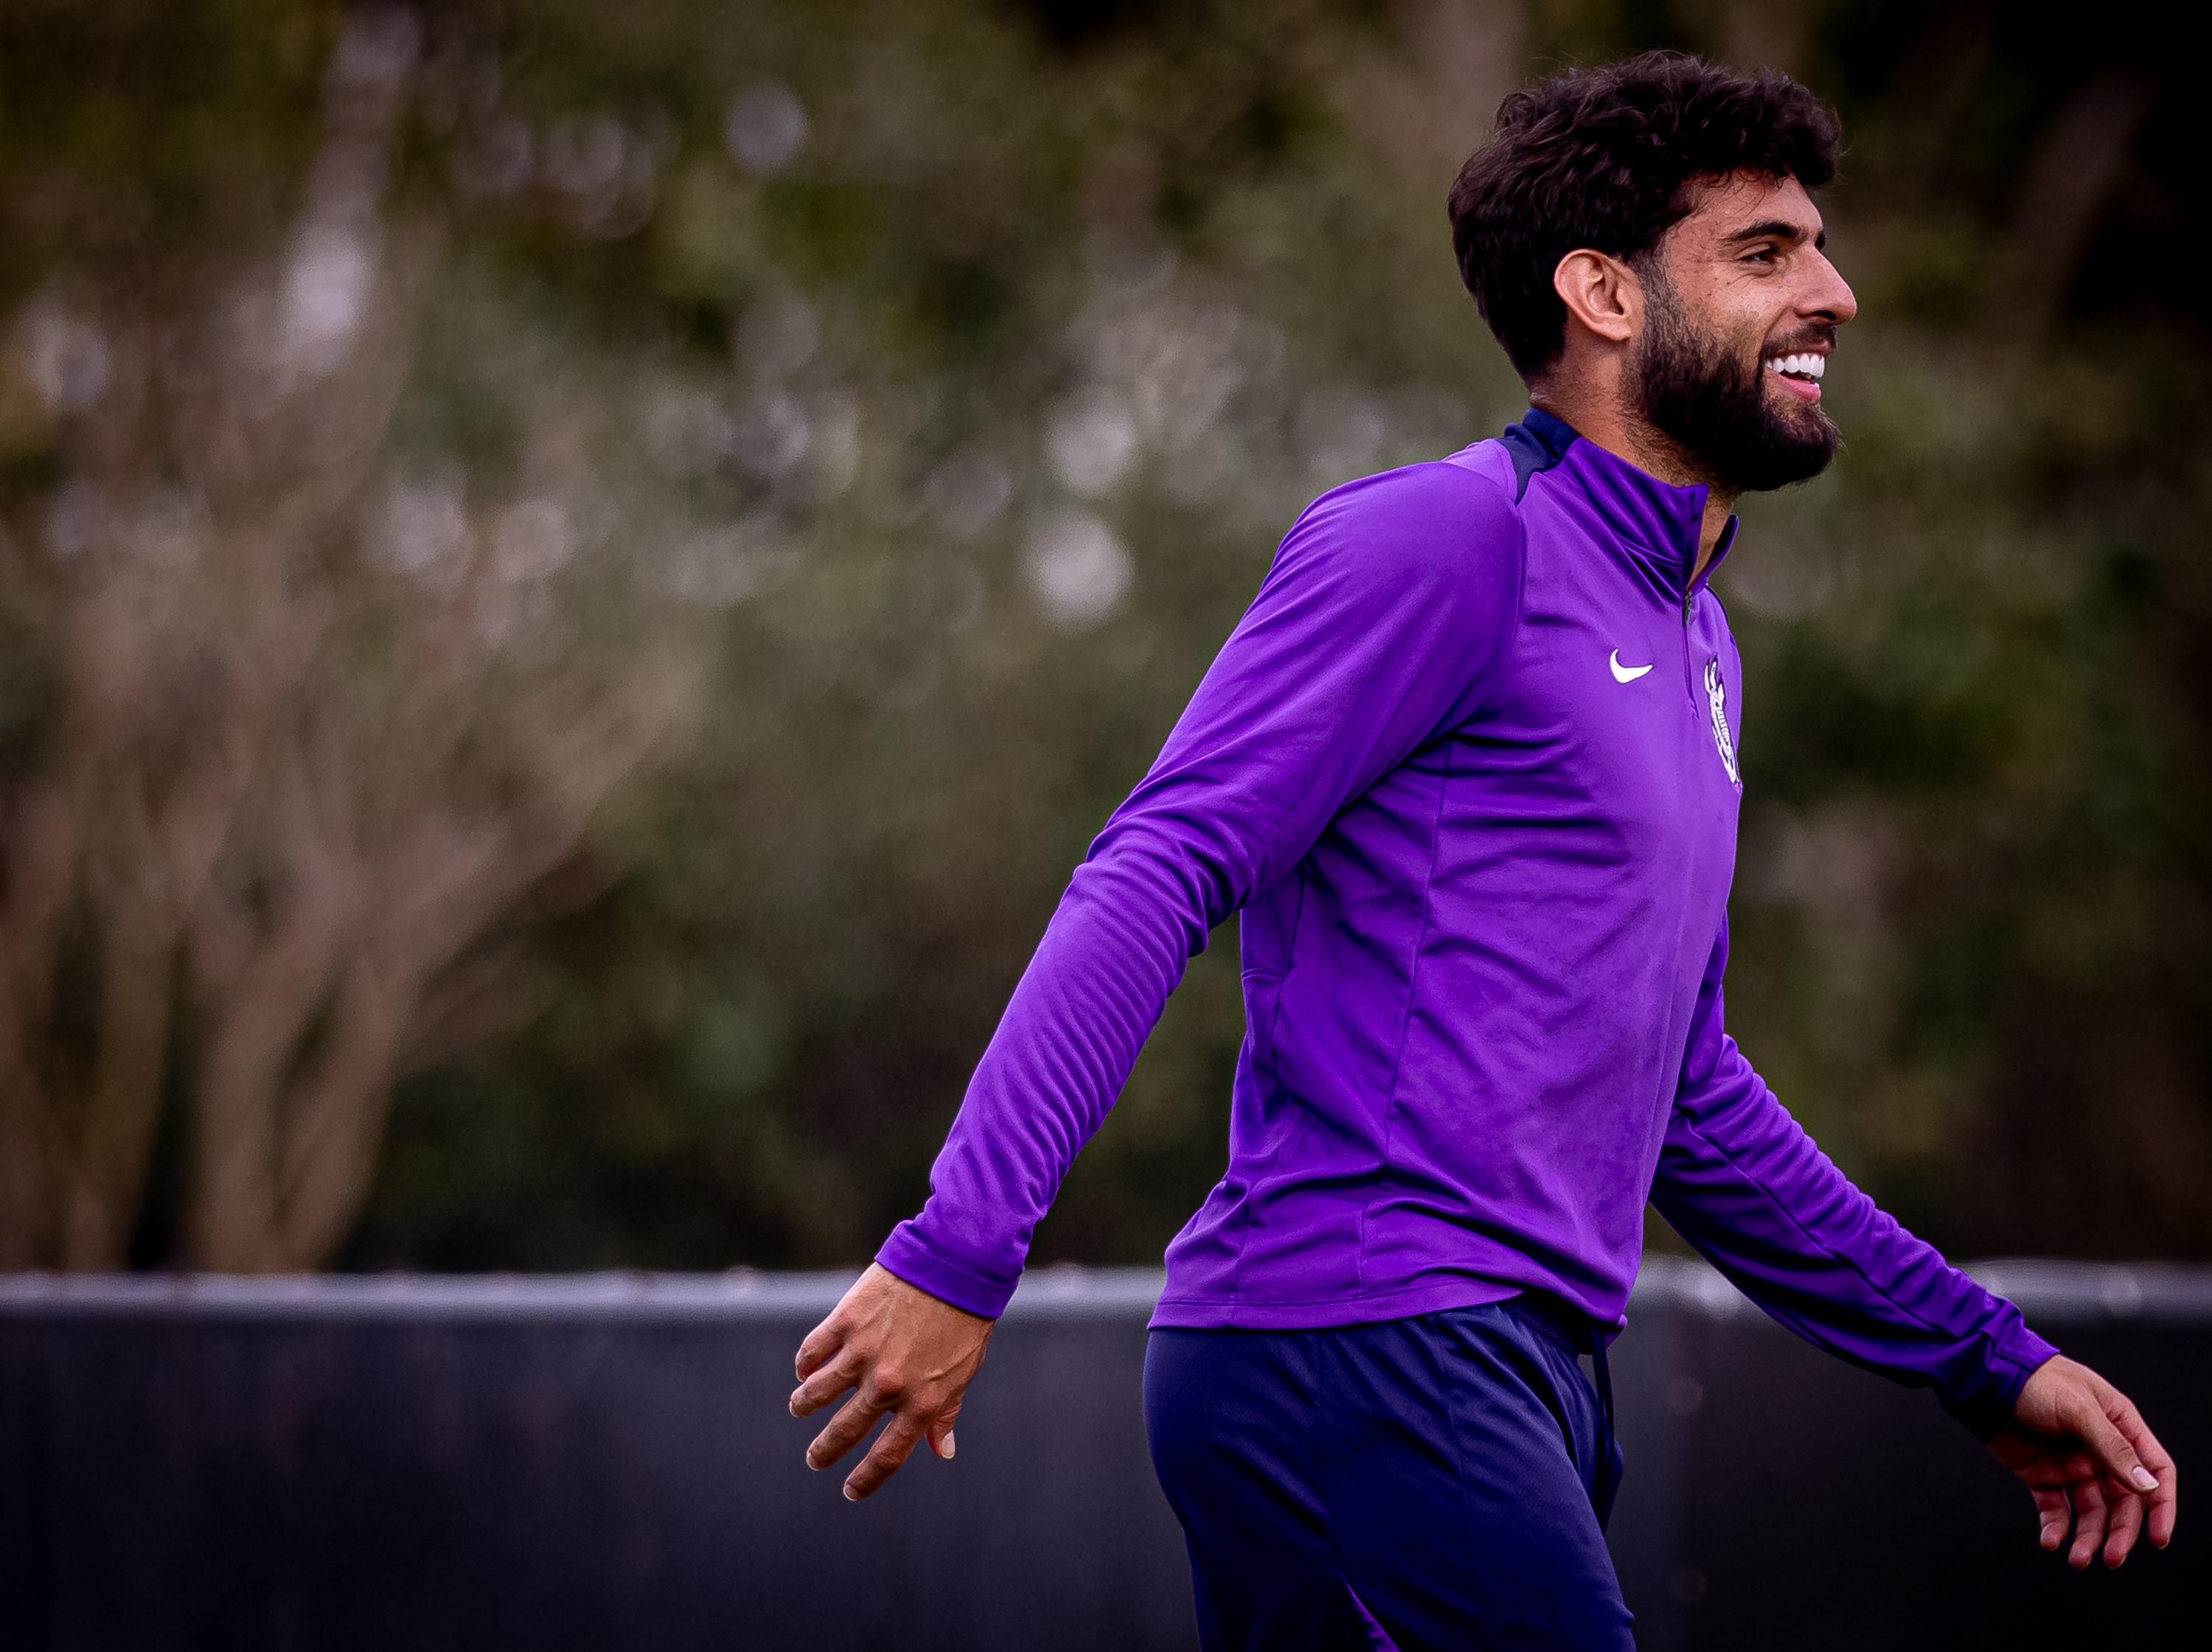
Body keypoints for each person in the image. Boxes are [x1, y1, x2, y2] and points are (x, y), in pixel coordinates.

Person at [787, 52, 2178, 1648]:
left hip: (1503, 1370)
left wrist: (1979, 1355)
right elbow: (1162, 864)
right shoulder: (1446, 540)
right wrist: (960, 1249)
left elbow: (1688, 1092)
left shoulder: (1702, 639)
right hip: (1362, 1343)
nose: (1836, 294)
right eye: (1766, 252)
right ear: (1600, 291)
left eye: (1819, 246)